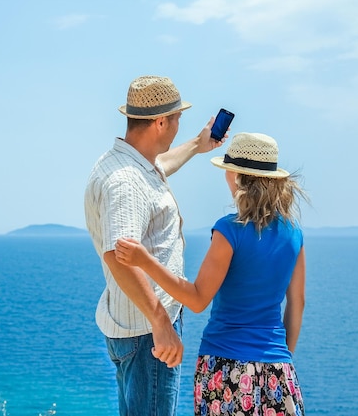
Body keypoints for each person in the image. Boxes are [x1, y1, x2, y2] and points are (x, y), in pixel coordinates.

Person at [115, 132, 308, 416]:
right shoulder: (294, 234)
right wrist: (282, 356)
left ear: (237, 176)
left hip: (225, 366)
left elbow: (196, 299)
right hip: (279, 370)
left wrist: (144, 261)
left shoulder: (230, 231)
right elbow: (297, 302)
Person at [84, 75, 227, 416]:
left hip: (132, 324)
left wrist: (197, 144)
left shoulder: (127, 162)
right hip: (148, 333)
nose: (179, 125)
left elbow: (161, 165)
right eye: (177, 118)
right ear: (161, 122)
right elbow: (119, 257)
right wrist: (161, 323)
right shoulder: (128, 182)